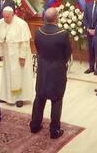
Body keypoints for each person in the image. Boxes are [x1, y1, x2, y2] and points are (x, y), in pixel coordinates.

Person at [30, 7, 72, 139]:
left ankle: (34, 125)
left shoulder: (38, 32)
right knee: (57, 99)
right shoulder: (63, 33)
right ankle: (54, 131)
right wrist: (61, 63)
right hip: (57, 71)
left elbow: (38, 49)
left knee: (39, 98)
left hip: (42, 70)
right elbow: (68, 53)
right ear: (57, 18)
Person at [0, 6, 33, 107]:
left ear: (13, 15)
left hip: (18, 54)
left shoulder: (21, 24)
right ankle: (7, 97)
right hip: (7, 54)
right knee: (7, 75)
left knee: (19, 76)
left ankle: (20, 98)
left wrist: (22, 57)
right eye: (4, 17)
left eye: (7, 17)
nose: (5, 19)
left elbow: (25, 42)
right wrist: (0, 54)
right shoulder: (1, 22)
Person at [83, 0, 97, 75]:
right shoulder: (88, 4)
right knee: (90, 50)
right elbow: (85, 18)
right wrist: (88, 28)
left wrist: (96, 30)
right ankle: (91, 67)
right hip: (89, 32)